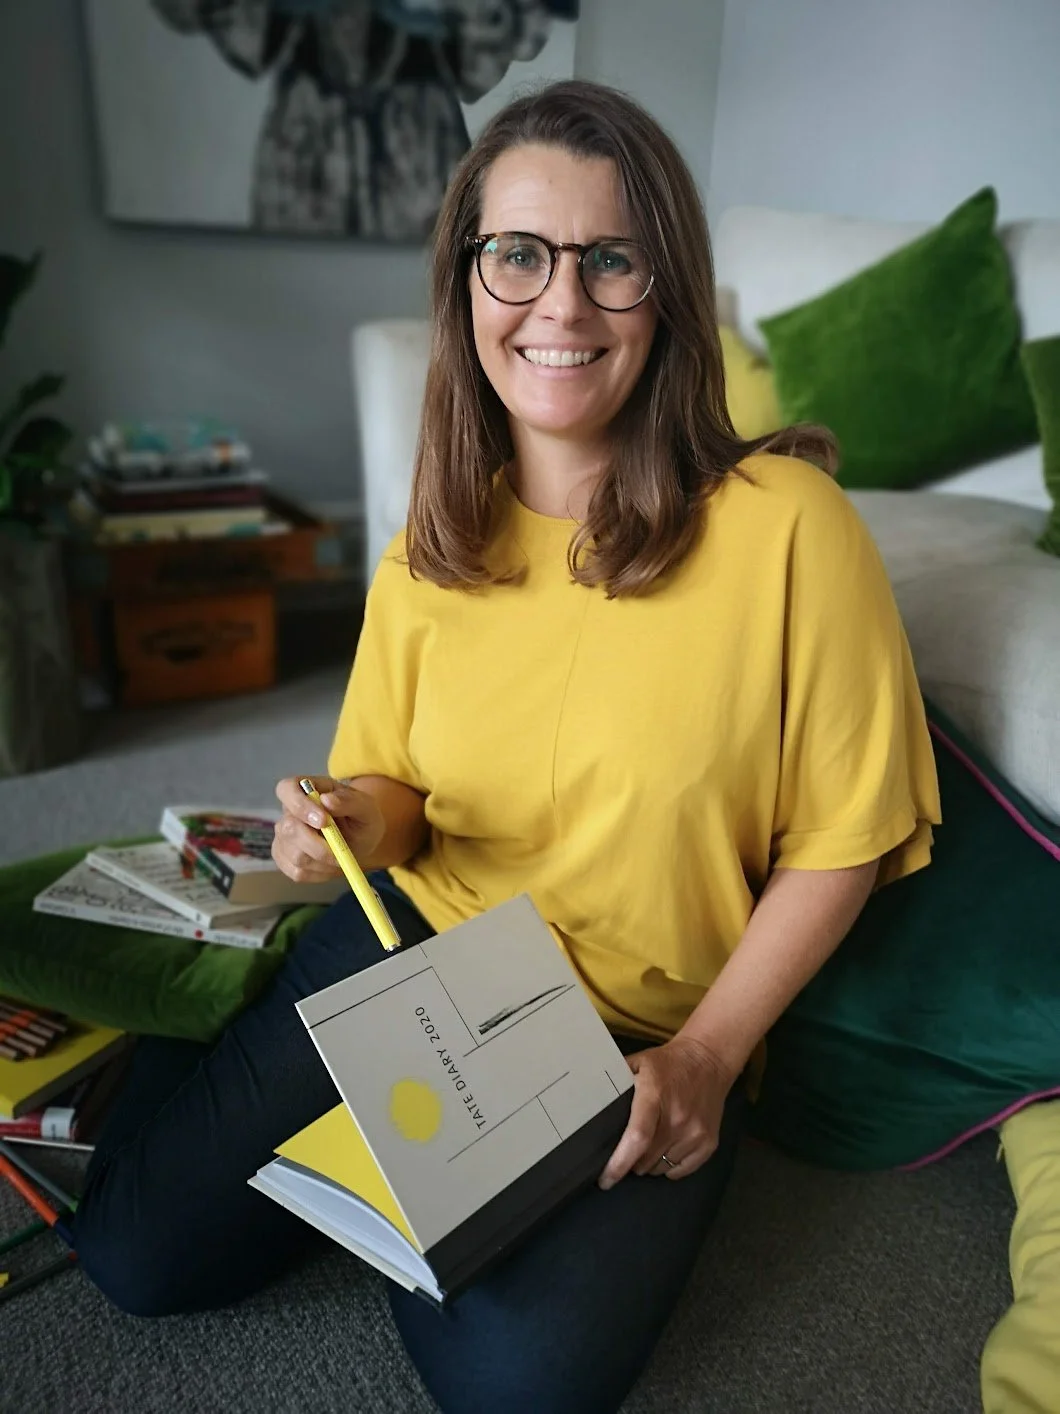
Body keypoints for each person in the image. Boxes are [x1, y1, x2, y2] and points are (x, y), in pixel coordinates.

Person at [74, 80, 941, 1413]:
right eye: (520, 254)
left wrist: (708, 1058)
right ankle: (254, 1076)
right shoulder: (433, 545)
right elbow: (402, 797)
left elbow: (844, 841)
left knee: (520, 1387)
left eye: (612, 259)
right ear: (468, 279)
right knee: (137, 1256)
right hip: (409, 958)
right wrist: (353, 816)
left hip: (630, 1039)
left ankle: (367, 1179)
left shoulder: (791, 527)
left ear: (667, 286)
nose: (562, 303)